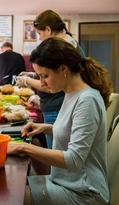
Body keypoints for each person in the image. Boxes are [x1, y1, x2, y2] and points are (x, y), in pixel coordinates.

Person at [8, 37, 112, 205]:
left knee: (11, 197)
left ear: (63, 69)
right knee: (11, 186)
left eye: (45, 76)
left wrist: (24, 147)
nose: (41, 83)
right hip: (66, 183)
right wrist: (44, 128)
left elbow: (74, 159)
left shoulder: (87, 100)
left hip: (84, 192)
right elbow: (71, 131)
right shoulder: (71, 93)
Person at [16, 9, 85, 150]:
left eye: (40, 34)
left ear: (48, 29)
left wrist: (27, 81)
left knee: (56, 150)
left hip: (55, 107)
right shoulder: (67, 44)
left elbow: (70, 159)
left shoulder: (63, 48)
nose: (40, 38)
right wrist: (34, 75)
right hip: (56, 107)